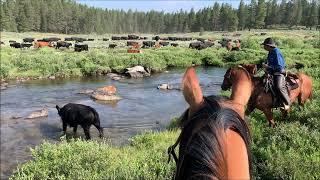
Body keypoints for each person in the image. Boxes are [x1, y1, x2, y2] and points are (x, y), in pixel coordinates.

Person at [261, 37, 290, 110]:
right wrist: (266, 68)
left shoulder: (276, 52)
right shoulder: (270, 52)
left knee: (279, 87)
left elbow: (279, 66)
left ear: (268, 46)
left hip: (278, 73)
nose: (263, 47)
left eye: (264, 45)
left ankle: (287, 103)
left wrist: (268, 66)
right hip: (271, 72)